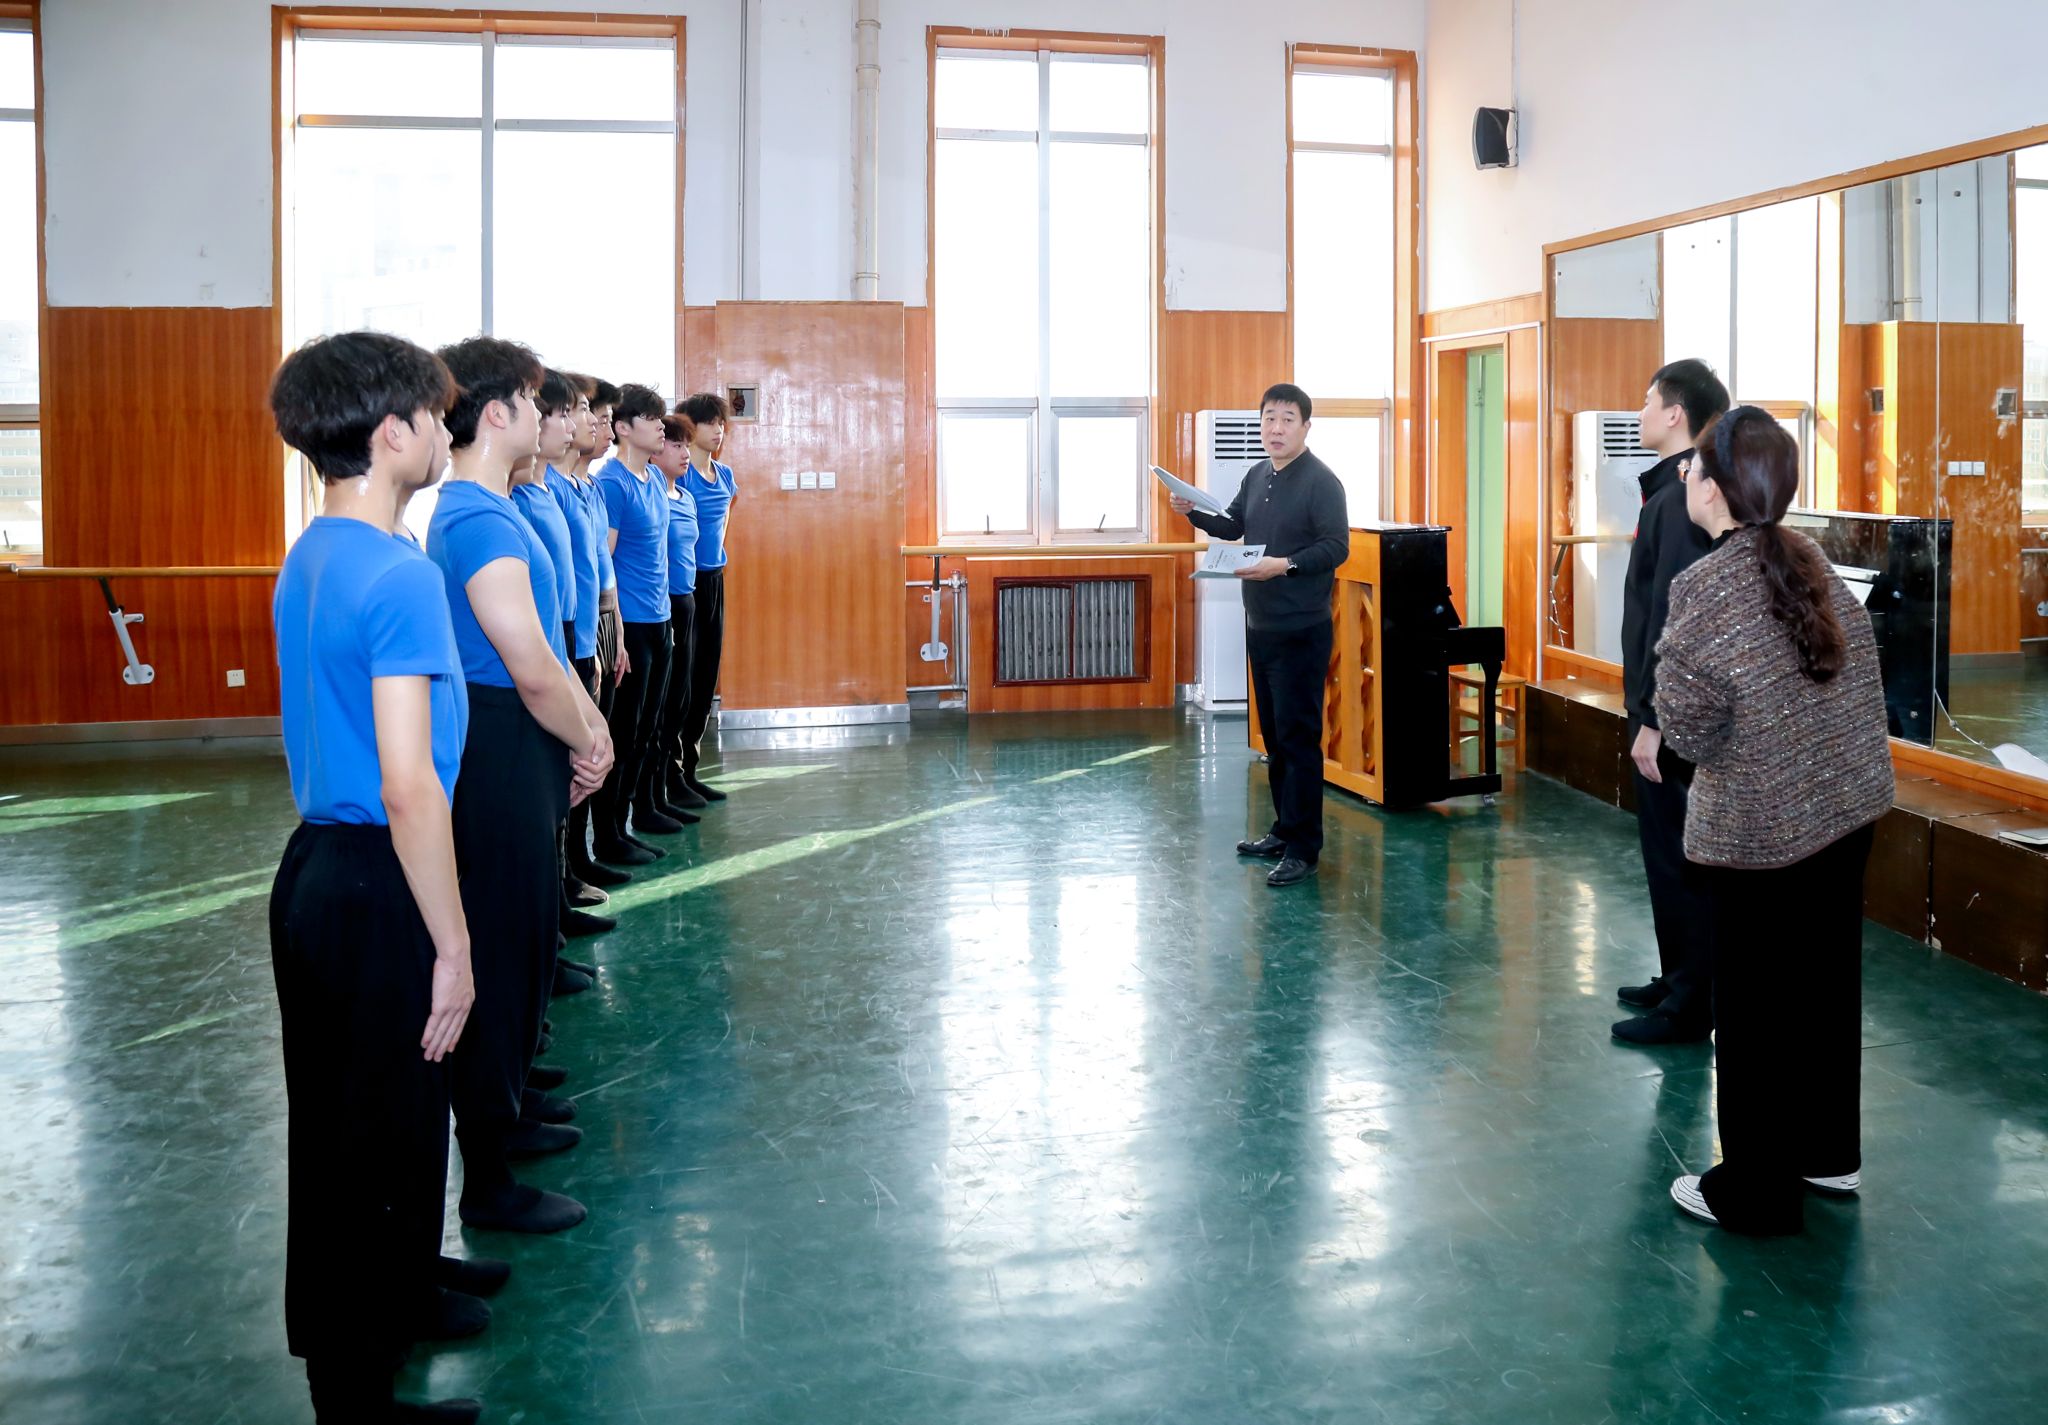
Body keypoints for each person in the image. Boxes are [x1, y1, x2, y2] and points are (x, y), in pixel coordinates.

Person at [267, 330, 485, 1423]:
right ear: (392, 433)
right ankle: (355, 1396)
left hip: (317, 871)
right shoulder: (400, 576)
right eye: (435, 415)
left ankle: (400, 1300)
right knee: (368, 1137)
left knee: (366, 1121)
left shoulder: (315, 551)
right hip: (375, 874)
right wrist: (453, 945)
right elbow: (408, 785)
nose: (447, 431)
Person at [1654, 407, 1894, 1235]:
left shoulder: (1705, 587)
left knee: (1756, 1007)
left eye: (1693, 465)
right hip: (1847, 808)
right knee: (1824, 984)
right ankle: (1828, 1153)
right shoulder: (1810, 558)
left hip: (1764, 828)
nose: (1685, 476)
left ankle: (1756, 1190)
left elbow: (1686, 729)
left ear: (1716, 489)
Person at [427, 335, 613, 1236]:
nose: (548, 417)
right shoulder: (474, 519)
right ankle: (490, 1177)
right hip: (501, 740)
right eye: (537, 401)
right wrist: (590, 736)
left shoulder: (499, 507)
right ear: (497, 412)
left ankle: (512, 1103)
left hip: (522, 734)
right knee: (502, 947)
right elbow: (529, 662)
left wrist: (589, 725)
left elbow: (547, 639)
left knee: (529, 933)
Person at [1171, 382, 1349, 887]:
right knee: (1274, 738)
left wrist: (1284, 565)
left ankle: (1305, 849)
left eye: (1287, 419)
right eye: (1269, 418)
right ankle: (1283, 830)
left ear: (1306, 427)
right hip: (1262, 625)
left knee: (1299, 739)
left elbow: (1336, 547)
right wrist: (1192, 511)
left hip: (1302, 629)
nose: (1276, 428)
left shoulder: (1322, 482)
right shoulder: (1256, 474)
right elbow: (1232, 525)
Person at [1613, 359, 1732, 1045]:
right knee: (1662, 853)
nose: (1640, 412)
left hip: (1671, 717)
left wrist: (1655, 718)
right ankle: (1676, 974)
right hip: (1653, 705)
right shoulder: (1667, 490)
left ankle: (1691, 1003)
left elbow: (1676, 624)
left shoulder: (1685, 496)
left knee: (1680, 857)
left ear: (1675, 414)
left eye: (1647, 401)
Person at [512, 371, 616, 948]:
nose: (581, 423)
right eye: (567, 411)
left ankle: (563, 889)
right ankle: (552, 905)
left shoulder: (550, 492)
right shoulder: (519, 501)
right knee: (554, 791)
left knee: (565, 788)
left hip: (573, 643)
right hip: (550, 657)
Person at [592, 383, 684, 859]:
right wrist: (616, 634)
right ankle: (608, 834)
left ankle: (636, 815)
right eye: (650, 419)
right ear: (623, 428)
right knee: (624, 733)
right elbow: (603, 561)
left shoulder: (651, 480)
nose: (660, 426)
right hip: (630, 625)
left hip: (660, 618)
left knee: (648, 727)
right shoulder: (613, 483)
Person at [554, 374, 631, 891]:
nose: (598, 427)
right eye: (590, 415)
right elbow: (564, 587)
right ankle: (567, 871)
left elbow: (604, 569)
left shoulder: (589, 488)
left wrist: (615, 634)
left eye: (599, 417)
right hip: (573, 638)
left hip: (598, 629)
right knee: (575, 759)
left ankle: (580, 860)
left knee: (596, 751)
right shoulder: (550, 491)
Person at [671, 392, 739, 807]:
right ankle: (670, 773)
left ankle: (690, 771)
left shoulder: (725, 476)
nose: (718, 430)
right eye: (710, 423)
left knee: (705, 678)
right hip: (683, 584)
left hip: (713, 580)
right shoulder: (680, 478)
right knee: (680, 680)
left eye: (721, 423)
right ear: (690, 427)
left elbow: (722, 526)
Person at [650, 414, 702, 817]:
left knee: (682, 697)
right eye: (676, 445)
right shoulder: (652, 496)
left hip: (686, 600)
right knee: (662, 702)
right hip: (659, 604)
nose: (685, 453)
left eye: (687, 445)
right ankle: (656, 789)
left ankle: (676, 777)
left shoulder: (685, 496)